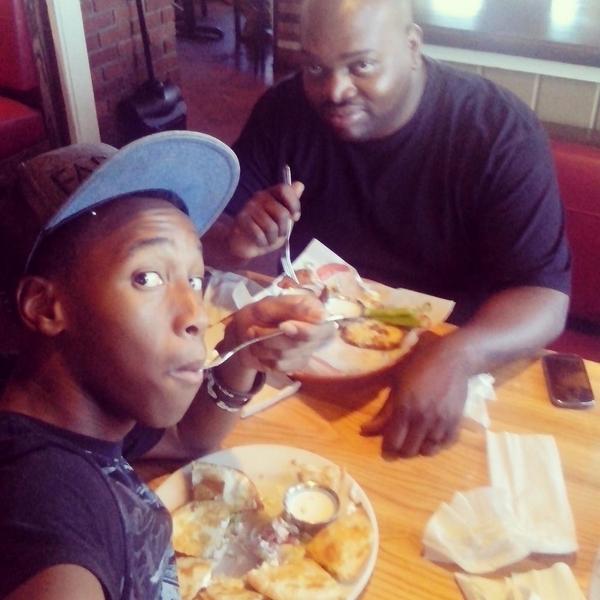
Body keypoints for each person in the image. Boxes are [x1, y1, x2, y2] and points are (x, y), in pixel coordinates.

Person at [205, 0, 571, 457]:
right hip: (303, 365)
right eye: (315, 67)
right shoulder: (285, 111)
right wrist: (237, 242)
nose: (334, 90)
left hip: (450, 361)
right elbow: (207, 238)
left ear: (412, 46)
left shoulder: (496, 131)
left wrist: (459, 355)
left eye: (361, 65)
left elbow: (544, 297)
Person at [0, 131, 334, 599]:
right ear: (44, 306)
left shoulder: (76, 406)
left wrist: (243, 348)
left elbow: (189, 437)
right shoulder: (46, 508)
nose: (196, 314)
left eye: (195, 279)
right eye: (148, 277)